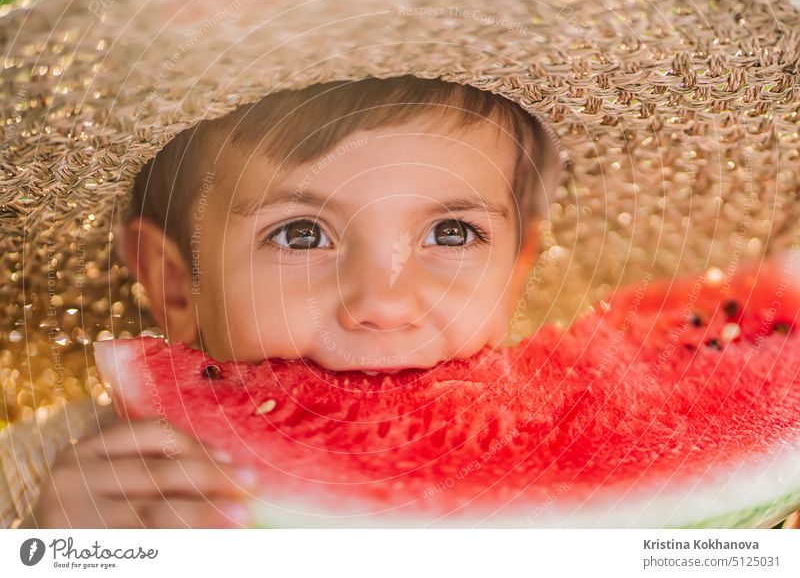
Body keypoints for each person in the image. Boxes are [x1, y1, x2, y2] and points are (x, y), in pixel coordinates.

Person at [25, 75, 560, 528]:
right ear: (174, 282)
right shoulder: (64, 481)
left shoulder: (554, 484)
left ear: (517, 270)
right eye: (302, 234)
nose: (384, 304)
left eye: (451, 234)